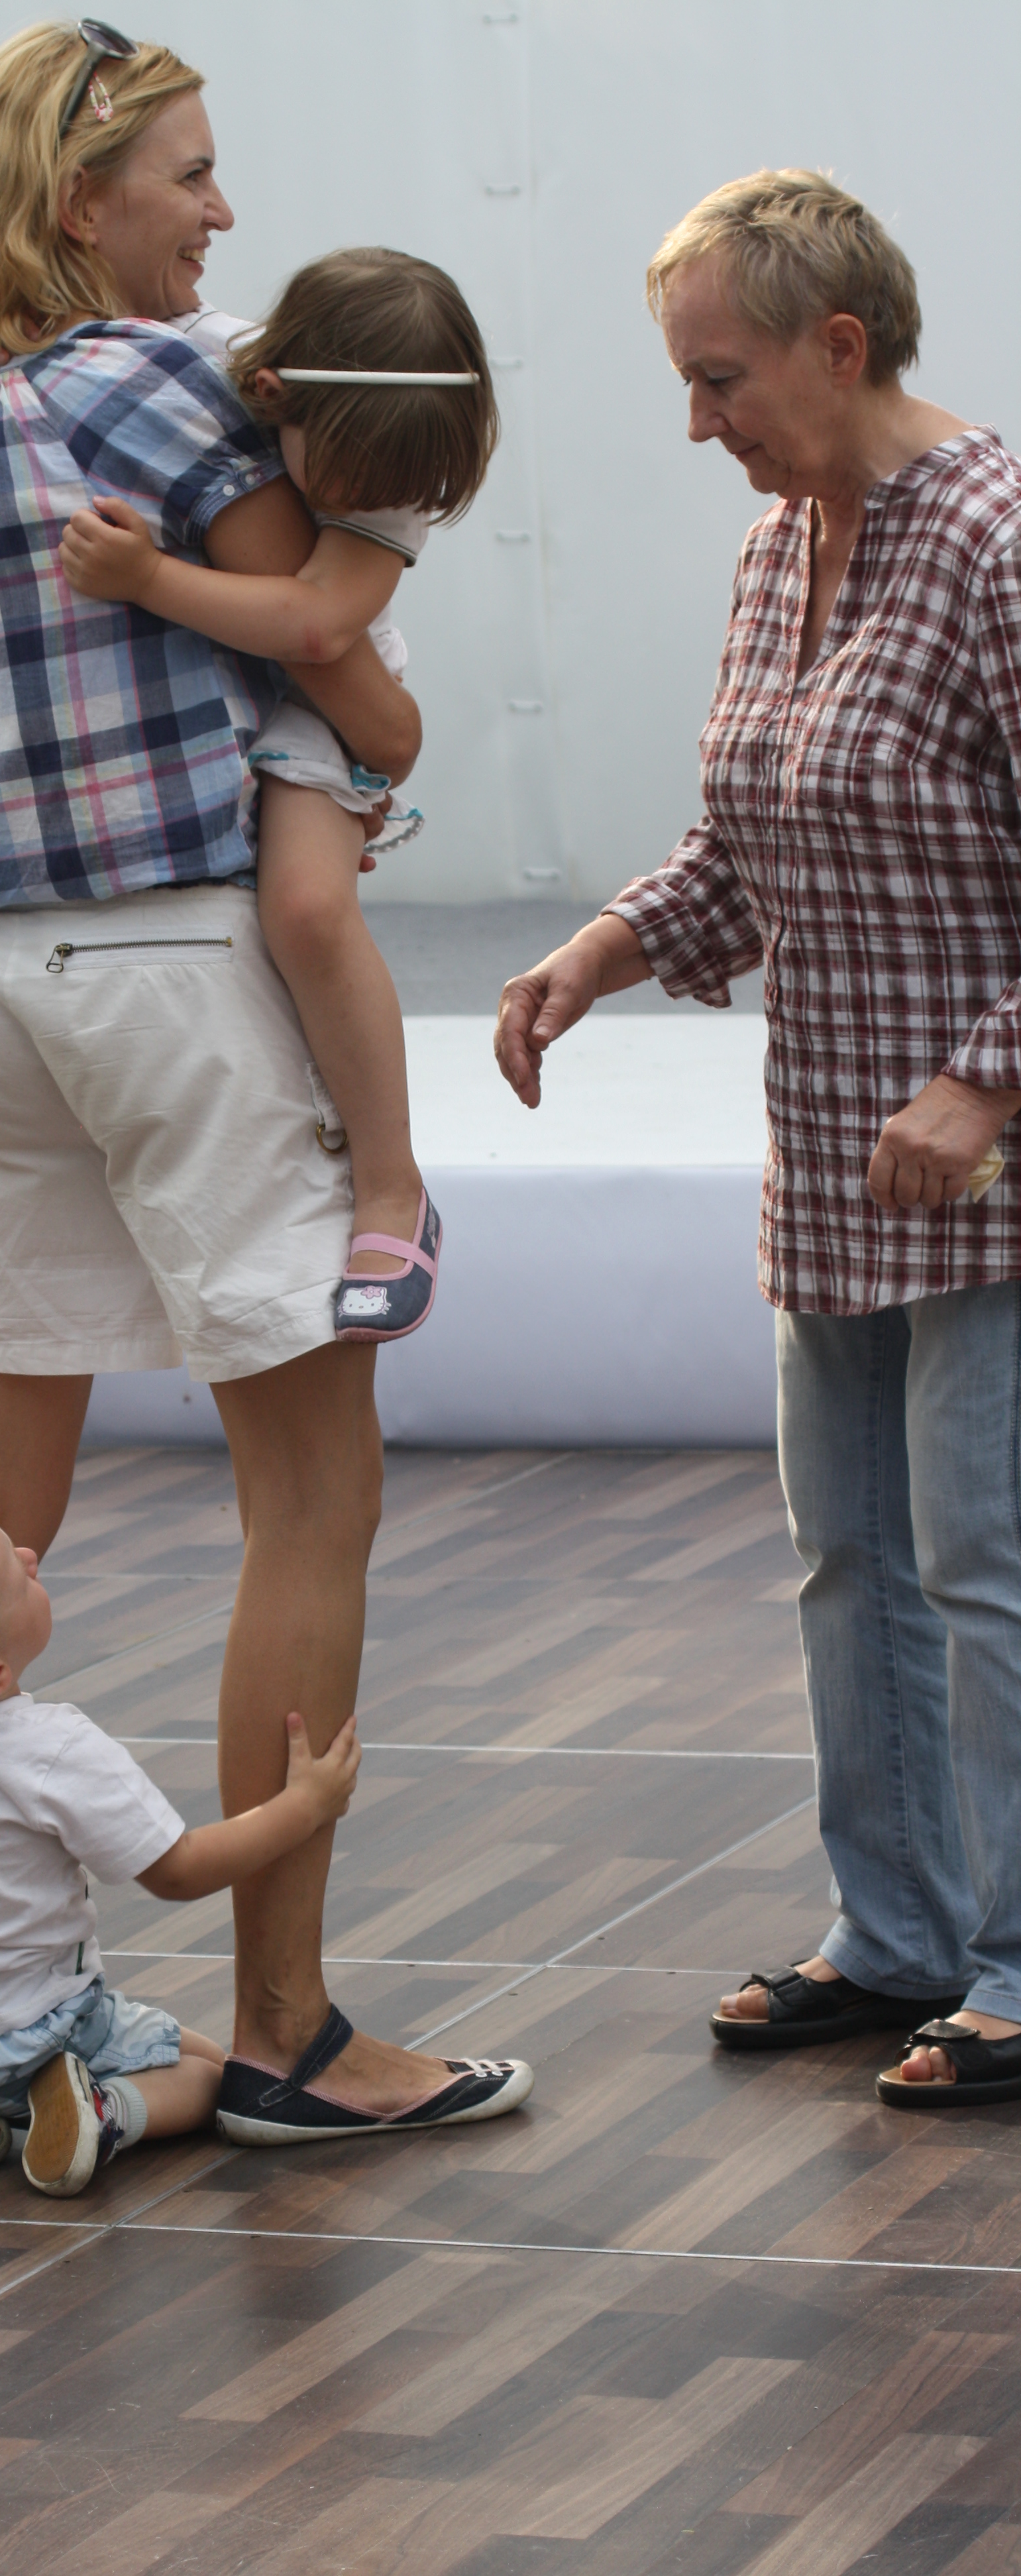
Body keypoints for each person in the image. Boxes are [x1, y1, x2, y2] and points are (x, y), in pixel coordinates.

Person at [0, 19, 532, 2143]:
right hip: (169, 971)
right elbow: (346, 664)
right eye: (188, 174)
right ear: (84, 201)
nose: (221, 212)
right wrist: (379, 740)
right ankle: (284, 2033)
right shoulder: (165, 386)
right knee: (312, 1500)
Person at [494, 169, 1021, 2109]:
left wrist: (987, 1080)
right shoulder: (778, 545)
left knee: (987, 1567)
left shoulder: (996, 539)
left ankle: (1018, 1964)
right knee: (848, 1563)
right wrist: (604, 947)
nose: (697, 421)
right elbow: (748, 841)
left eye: (719, 379)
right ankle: (897, 1937)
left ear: (841, 344)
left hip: (990, 1169)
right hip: (835, 1157)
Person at [59, 246, 498, 1339]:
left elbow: (316, 627)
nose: (371, 504)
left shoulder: (389, 469)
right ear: (270, 394)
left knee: (304, 906)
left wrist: (148, 577)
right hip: (198, 673)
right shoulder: (205, 366)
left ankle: (390, 1184)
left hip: (315, 703)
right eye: (347, 483)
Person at [0, 1499, 406, 2194]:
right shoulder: (50, 1750)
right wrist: (301, 1808)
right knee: (216, 2075)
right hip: (24, 2035)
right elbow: (179, 1872)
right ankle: (101, 2113)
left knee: (178, 2045)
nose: (30, 1557)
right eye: (16, 1574)